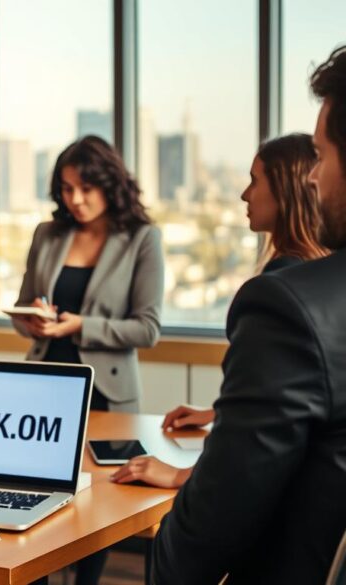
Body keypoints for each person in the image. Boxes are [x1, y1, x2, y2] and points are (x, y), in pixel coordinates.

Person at [151, 45, 346, 583]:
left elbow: (216, 517)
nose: (314, 177)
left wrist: (165, 564)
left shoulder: (289, 305)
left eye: (322, 156)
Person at [111, 132, 328, 489]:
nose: (245, 194)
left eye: (255, 181)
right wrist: (218, 412)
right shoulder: (322, 274)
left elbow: (258, 430)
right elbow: (298, 397)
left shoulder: (279, 289)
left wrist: (180, 475)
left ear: (284, 191)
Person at [12, 135, 162, 585]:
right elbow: (25, 305)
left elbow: (148, 329)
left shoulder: (141, 238)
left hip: (106, 393)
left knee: (99, 503)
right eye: (66, 188)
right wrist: (33, 320)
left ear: (109, 184)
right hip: (44, 386)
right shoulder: (47, 234)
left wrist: (80, 326)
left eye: (85, 188)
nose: (75, 199)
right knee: (33, 493)